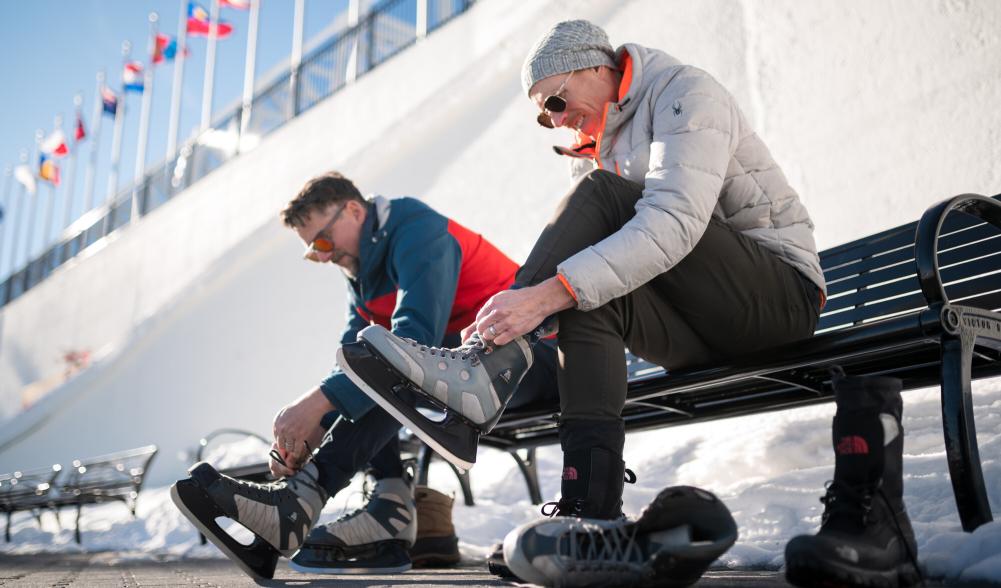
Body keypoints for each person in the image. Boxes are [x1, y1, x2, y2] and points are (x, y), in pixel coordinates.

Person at [348, 18, 828, 582]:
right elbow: (603, 272)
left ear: (596, 67)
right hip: (702, 323)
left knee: (588, 227)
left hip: (776, 299)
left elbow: (674, 222)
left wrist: (542, 297)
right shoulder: (599, 144)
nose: (553, 118)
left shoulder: (684, 93)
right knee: (585, 299)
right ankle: (589, 511)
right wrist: (552, 302)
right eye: (542, 113)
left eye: (555, 99)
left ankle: (481, 364)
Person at [171, 171, 558, 580]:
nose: (322, 256)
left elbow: (413, 343)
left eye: (322, 242)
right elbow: (349, 360)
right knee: (371, 365)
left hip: (537, 356)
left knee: (394, 366)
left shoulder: (418, 229)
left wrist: (320, 402)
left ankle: (301, 503)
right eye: (312, 252)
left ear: (354, 210)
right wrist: (316, 425)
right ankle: (387, 507)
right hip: (470, 373)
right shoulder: (361, 272)